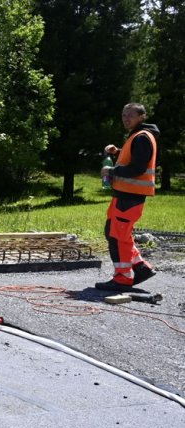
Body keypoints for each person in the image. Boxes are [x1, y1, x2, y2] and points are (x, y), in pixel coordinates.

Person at [96, 103, 159, 292]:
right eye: (124, 115)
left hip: (130, 196)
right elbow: (133, 158)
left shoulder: (142, 137)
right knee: (114, 232)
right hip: (125, 195)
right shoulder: (137, 136)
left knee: (117, 236)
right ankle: (141, 268)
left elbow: (137, 168)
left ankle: (123, 278)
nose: (126, 119)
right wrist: (117, 152)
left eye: (130, 115)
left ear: (142, 117)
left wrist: (111, 171)